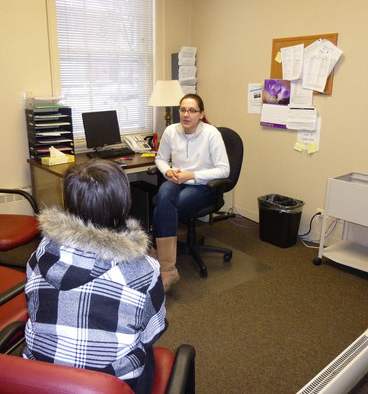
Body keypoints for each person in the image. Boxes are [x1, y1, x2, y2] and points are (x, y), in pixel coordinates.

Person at [23, 159, 166, 394]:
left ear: (68, 202)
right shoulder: (144, 269)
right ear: (123, 203)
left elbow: (34, 306)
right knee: (145, 348)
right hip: (109, 384)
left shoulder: (41, 252)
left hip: (42, 378)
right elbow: (153, 330)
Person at [152, 94, 230, 291]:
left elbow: (224, 170)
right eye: (183, 110)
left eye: (192, 111)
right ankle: (166, 267)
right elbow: (160, 158)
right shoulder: (171, 131)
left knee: (168, 208)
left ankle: (161, 264)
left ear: (201, 114)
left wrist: (191, 175)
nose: (186, 115)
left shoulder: (211, 134)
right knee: (162, 198)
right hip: (176, 179)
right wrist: (167, 171)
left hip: (202, 185)